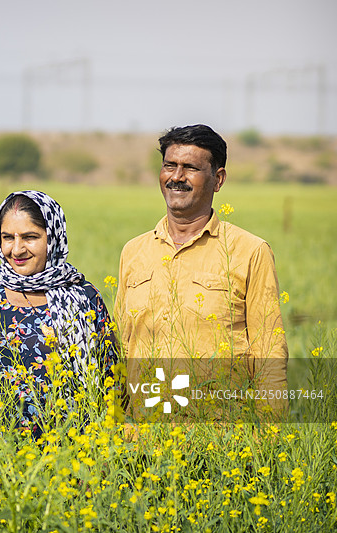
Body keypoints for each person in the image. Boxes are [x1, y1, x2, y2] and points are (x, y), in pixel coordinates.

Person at [115, 124, 288, 420]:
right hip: (141, 438)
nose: (176, 177)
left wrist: (268, 440)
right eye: (170, 166)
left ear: (218, 179)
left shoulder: (250, 251)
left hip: (221, 438)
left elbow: (269, 353)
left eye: (190, 168)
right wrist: (114, 428)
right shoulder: (134, 251)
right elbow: (119, 348)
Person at [0, 190, 118, 440]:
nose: (17, 249)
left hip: (68, 456)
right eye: (8, 237)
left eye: (30, 237)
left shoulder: (84, 298)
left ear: (53, 237)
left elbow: (109, 381)